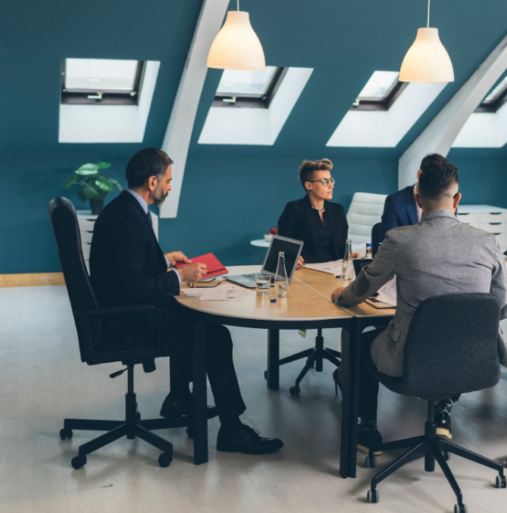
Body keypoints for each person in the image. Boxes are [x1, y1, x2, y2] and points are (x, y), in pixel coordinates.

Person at [89, 148, 283, 455]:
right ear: (152, 182)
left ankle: (179, 398)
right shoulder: (129, 218)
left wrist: (164, 260)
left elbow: (126, 266)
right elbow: (133, 287)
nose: (169, 187)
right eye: (167, 180)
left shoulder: (124, 208)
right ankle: (232, 430)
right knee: (215, 335)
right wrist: (181, 276)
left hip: (117, 311)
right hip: (128, 320)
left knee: (193, 317)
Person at [332, 157, 507, 455]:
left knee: (358, 341)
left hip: (410, 360)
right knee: (452, 338)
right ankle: (443, 409)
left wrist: (342, 296)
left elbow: (365, 286)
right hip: (474, 359)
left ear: (417, 198)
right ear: (457, 200)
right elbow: (501, 309)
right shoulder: (487, 241)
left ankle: (367, 428)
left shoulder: (399, 240)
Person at [278, 158, 351, 265]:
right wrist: (292, 257)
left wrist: (348, 255)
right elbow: (283, 247)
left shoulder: (338, 210)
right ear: (309, 185)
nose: (331, 185)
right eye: (325, 181)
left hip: (335, 268)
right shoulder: (294, 209)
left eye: (331, 180)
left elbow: (342, 248)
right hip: (305, 268)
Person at [379, 153, 446, 240]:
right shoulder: (394, 202)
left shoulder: (447, 201)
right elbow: (388, 242)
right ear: (419, 175)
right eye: (432, 179)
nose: (436, 187)